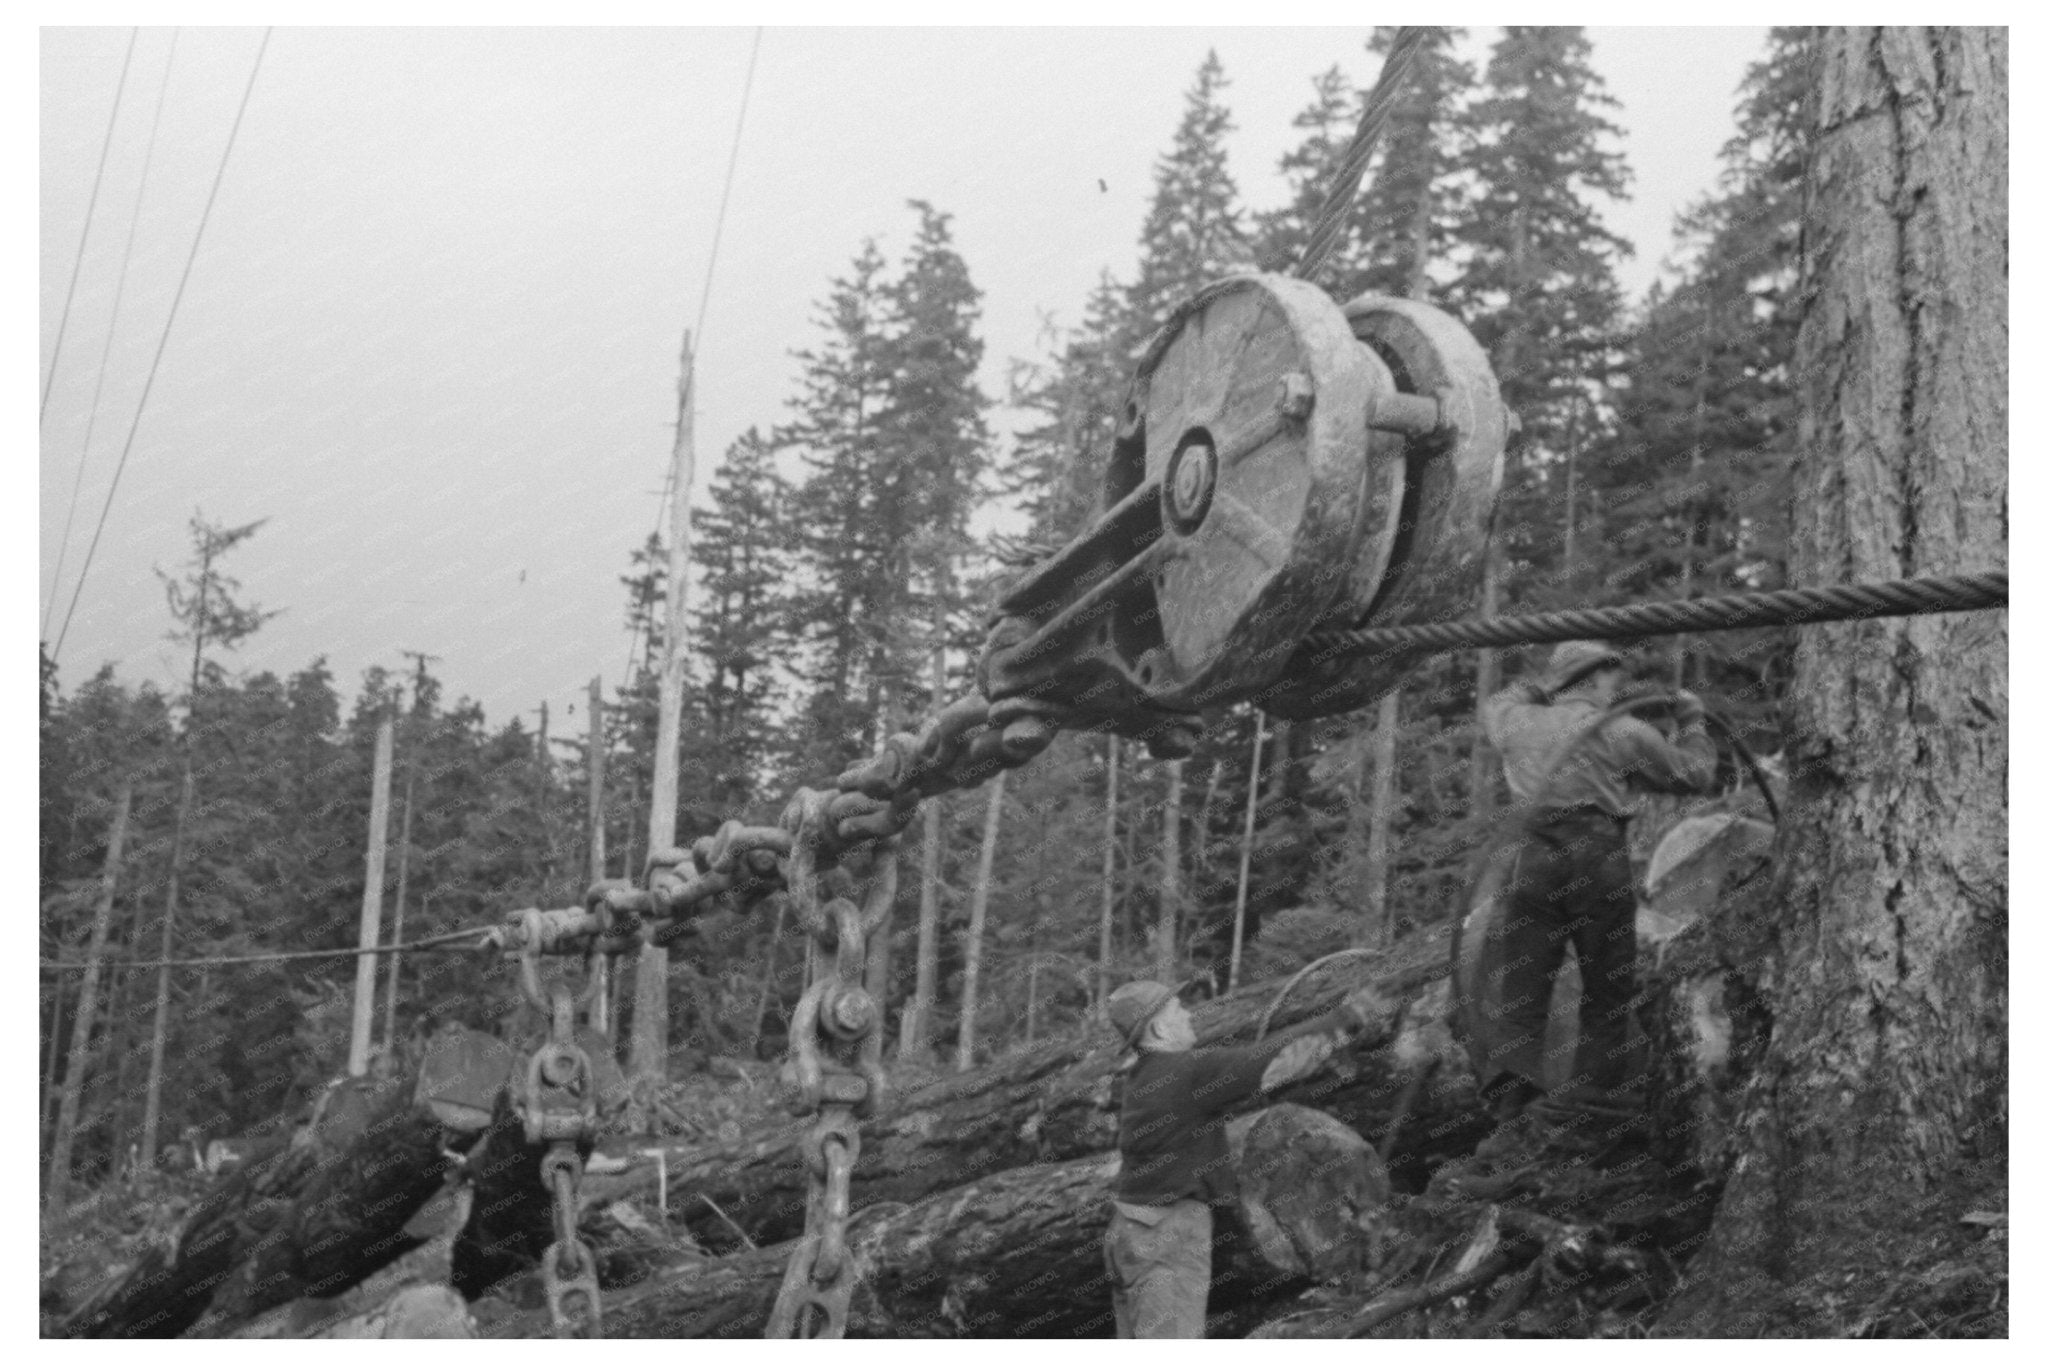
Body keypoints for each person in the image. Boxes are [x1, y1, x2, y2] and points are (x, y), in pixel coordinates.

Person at [1475, 639, 1717, 1131]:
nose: (1618, 690)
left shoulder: (1515, 721)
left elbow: (1498, 701)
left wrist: (1544, 687)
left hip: (1534, 861)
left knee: (1522, 994)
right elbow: (1697, 774)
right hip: (1597, 860)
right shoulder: (1625, 731)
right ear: (1595, 678)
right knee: (1606, 992)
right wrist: (1691, 720)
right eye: (1612, 679)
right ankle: (1589, 1112)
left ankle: (1511, 1117)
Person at [1101, 978, 1383, 1339]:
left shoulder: (1142, 1078)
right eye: (1178, 1011)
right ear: (1158, 1027)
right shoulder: (1185, 1071)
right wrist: (1343, 1018)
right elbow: (1266, 1061)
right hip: (1164, 1236)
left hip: (1128, 1231)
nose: (1189, 1016)